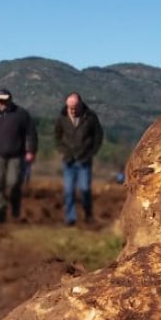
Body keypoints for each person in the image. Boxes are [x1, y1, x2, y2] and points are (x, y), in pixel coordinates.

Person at [0, 88, 37, 223]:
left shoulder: (21, 114)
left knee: (13, 182)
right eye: (0, 101)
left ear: (10, 99)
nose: (2, 103)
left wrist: (31, 151)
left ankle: (15, 208)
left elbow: (31, 133)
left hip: (16, 155)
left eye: (4, 100)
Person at [53, 92, 104, 226]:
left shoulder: (90, 117)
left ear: (80, 105)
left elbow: (98, 136)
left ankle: (88, 215)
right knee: (69, 191)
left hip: (84, 160)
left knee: (85, 189)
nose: (73, 110)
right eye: (70, 108)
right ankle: (70, 218)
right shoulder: (61, 118)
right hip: (68, 161)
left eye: (75, 108)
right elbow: (57, 137)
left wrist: (91, 152)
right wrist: (62, 151)